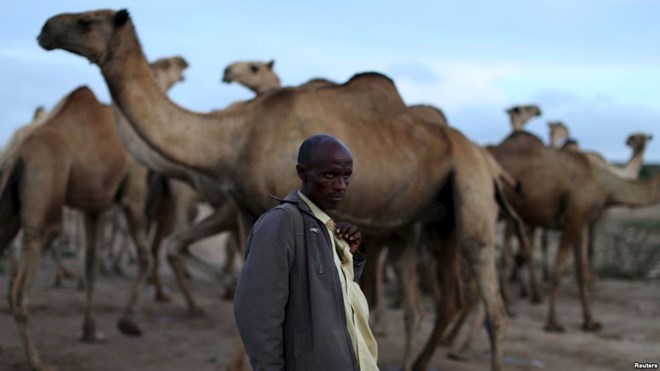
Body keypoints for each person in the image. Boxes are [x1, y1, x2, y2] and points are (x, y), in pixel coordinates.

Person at [234, 134, 379, 371]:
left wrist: (347, 258)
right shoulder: (281, 223)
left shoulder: (325, 227)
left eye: (346, 176)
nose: (341, 185)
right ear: (303, 173)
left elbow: (332, 304)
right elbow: (256, 314)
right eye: (330, 175)